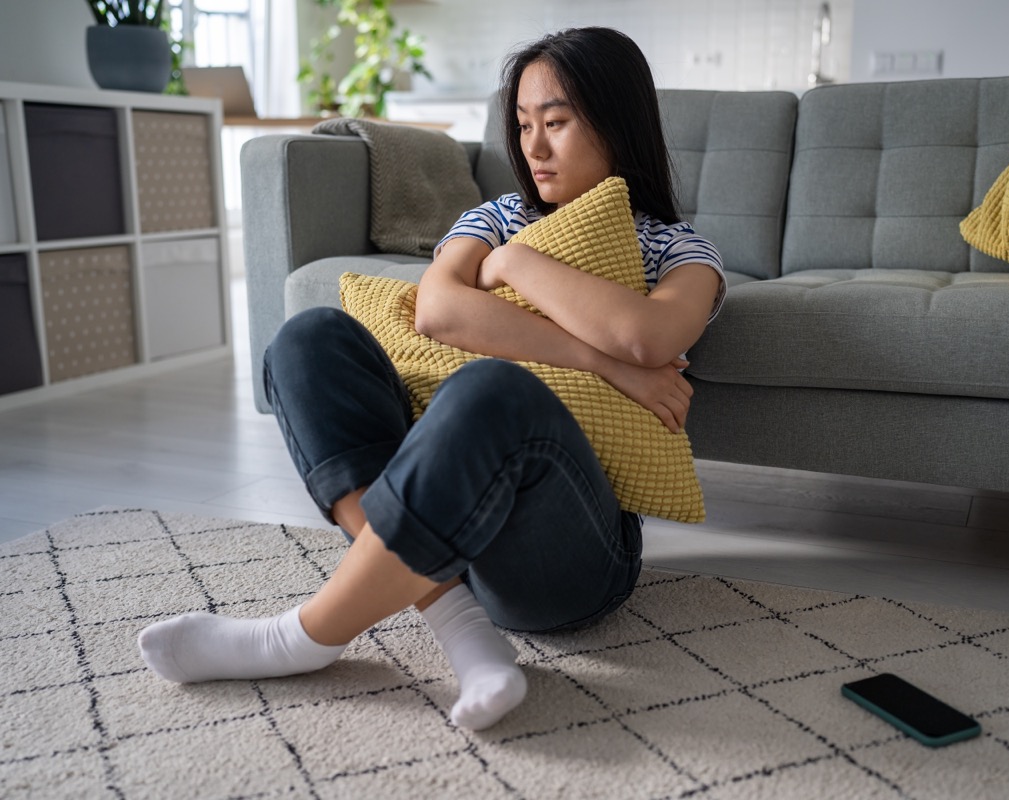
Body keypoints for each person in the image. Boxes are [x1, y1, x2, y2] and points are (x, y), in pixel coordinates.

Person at [137, 26, 726, 732]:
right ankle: (456, 619)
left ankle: (298, 637)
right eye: (524, 125)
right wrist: (604, 364)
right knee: (308, 338)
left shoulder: (675, 247)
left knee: (489, 392)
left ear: (617, 122)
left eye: (558, 123)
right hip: (456, 530)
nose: (533, 149)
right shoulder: (496, 217)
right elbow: (441, 310)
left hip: (571, 556)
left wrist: (512, 267)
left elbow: (648, 334)